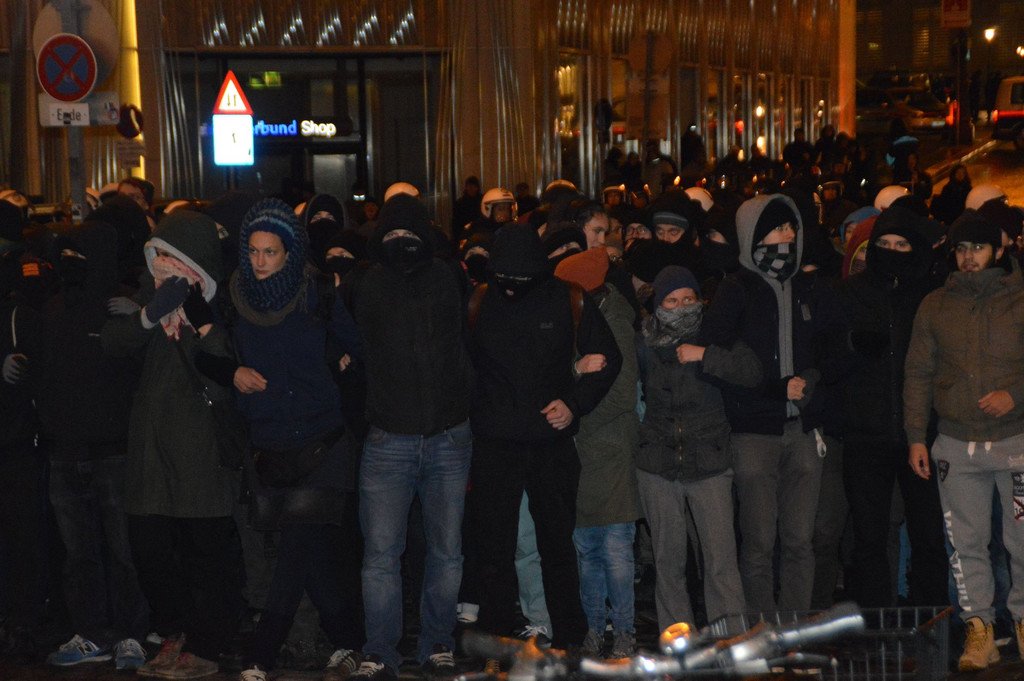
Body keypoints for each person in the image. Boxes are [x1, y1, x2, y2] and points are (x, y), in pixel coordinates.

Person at [102, 210, 244, 679]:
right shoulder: (153, 299)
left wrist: (204, 324)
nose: (162, 262)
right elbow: (113, 343)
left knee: (204, 551)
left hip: (199, 450)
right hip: (151, 450)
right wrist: (147, 314)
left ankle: (206, 643)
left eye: (171, 254)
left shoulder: (219, 306)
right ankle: (173, 634)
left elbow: (226, 371)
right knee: (152, 549)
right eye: (156, 254)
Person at [467, 224, 621, 654]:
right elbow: (463, 366)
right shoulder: (480, 300)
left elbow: (609, 359)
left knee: (557, 545)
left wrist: (574, 404)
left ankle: (569, 639)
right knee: (494, 547)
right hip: (495, 442)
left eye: (520, 278)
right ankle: (498, 640)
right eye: (504, 278)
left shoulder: (567, 298)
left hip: (550, 442)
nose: (511, 286)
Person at [228, 199, 364, 681]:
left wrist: (337, 361)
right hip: (270, 441)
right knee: (309, 558)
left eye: (270, 251)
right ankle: (351, 640)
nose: (260, 261)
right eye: (253, 250)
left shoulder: (317, 292)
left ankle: (261, 654)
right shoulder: (236, 296)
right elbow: (220, 358)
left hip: (322, 441)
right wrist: (234, 374)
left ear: (290, 253)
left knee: (297, 546)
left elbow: (356, 345)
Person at [347, 194, 474, 681]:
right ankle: (381, 650)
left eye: (410, 234)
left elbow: (467, 338)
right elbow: (346, 341)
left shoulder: (447, 277)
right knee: (381, 556)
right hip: (389, 438)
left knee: (446, 552)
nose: (402, 243)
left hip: (448, 435)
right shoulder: (367, 283)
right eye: (393, 234)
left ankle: (437, 642)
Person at [702, 194, 848, 613]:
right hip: (753, 434)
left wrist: (813, 381)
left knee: (800, 540)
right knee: (759, 544)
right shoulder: (735, 290)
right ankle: (762, 631)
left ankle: (796, 628)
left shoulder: (811, 288)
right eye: (777, 229)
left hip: (803, 431)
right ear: (753, 235)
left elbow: (835, 352)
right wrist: (773, 389)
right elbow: (713, 361)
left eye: (791, 228)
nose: (787, 236)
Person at [904, 211, 1024, 672]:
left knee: (1021, 540)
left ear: (999, 249)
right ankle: (979, 631)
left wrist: (1015, 395)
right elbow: (918, 373)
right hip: (956, 445)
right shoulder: (935, 304)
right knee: (966, 544)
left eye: (977, 247)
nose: (968, 257)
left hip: (1015, 444)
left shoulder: (1020, 299)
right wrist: (916, 437)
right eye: (960, 249)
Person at [35, 222, 149, 670]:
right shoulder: (54, 307)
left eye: (79, 256)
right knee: (79, 554)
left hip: (113, 450)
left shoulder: (120, 306)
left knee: (123, 551)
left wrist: (139, 316)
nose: (71, 265)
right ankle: (92, 632)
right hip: (66, 450)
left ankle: (131, 634)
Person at [839, 206, 948, 609]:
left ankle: (930, 621)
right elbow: (826, 355)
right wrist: (852, 345)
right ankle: (875, 624)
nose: (891, 252)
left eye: (901, 245)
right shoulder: (850, 292)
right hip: (865, 435)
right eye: (883, 244)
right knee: (869, 538)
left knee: (928, 535)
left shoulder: (931, 296)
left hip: (922, 435)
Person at [635, 265, 755, 632]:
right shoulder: (643, 341)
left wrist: (705, 355)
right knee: (668, 563)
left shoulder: (716, 334)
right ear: (658, 305)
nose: (681, 307)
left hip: (710, 463)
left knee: (720, 562)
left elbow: (751, 372)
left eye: (688, 299)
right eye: (671, 301)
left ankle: (732, 640)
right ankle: (677, 641)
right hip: (658, 464)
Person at [554, 248, 640, 658]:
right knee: (588, 549)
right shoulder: (582, 322)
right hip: (585, 452)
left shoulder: (614, 323)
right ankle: (594, 629)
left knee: (615, 550)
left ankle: (623, 632)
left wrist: (573, 412)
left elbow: (622, 396)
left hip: (609, 450)